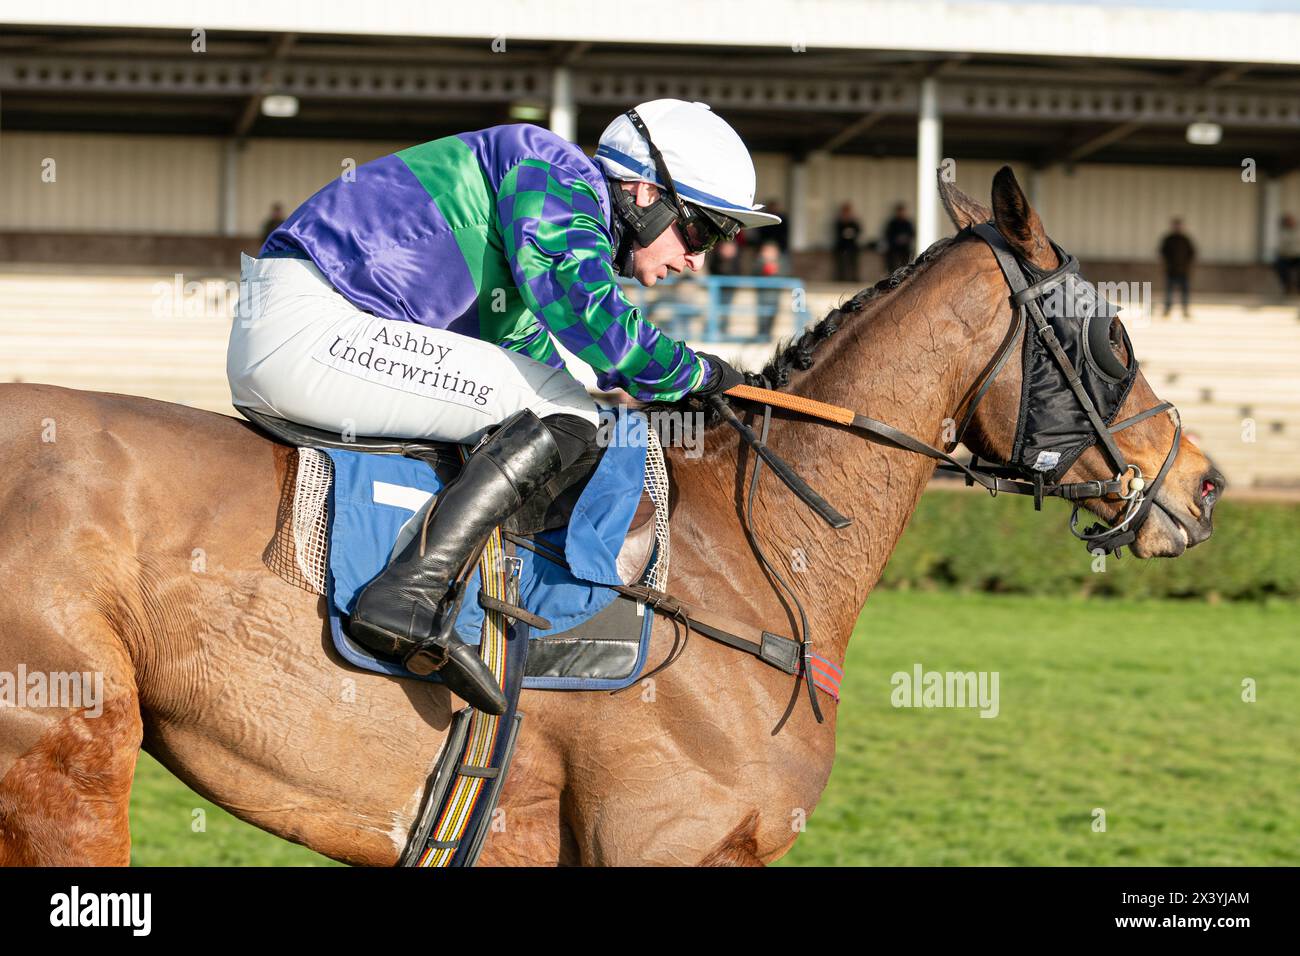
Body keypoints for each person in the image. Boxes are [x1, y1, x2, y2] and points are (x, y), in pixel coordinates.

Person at [226, 99, 777, 713]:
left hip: (312, 327)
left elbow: (536, 350)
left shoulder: (543, 213)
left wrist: (649, 380)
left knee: (567, 408)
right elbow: (592, 318)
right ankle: (406, 594)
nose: (697, 260)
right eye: (701, 231)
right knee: (565, 413)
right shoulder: (552, 167)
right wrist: (697, 372)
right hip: (311, 328)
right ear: (645, 193)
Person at [1158, 217, 1196, 319]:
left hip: (1184, 271)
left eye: (1179, 225)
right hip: (1171, 271)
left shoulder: (1185, 239)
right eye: (1175, 225)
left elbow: (1192, 253)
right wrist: (1166, 265)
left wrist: (1188, 266)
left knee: (1185, 292)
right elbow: (1162, 253)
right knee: (1169, 292)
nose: (1177, 227)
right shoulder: (1168, 239)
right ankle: (1167, 310)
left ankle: (1185, 311)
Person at [707, 238, 744, 334]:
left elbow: (738, 272)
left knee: (725, 311)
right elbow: (713, 269)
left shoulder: (737, 260)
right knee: (715, 311)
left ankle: (723, 330)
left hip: (729, 288)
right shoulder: (716, 258)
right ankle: (713, 330)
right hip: (716, 288)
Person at [752, 239, 784, 339]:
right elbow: (754, 273)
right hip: (762, 295)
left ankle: (767, 336)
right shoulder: (758, 262)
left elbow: (786, 274)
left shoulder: (781, 262)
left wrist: (775, 270)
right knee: (762, 317)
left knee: (772, 316)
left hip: (774, 295)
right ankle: (761, 336)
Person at [882, 202, 915, 274]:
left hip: (905, 247)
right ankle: (890, 274)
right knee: (890, 258)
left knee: (907, 259)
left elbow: (912, 234)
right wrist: (896, 240)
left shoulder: (907, 223)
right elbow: (887, 234)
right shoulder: (892, 223)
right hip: (894, 246)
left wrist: (905, 239)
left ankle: (905, 273)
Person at [832, 202, 862, 282]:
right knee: (841, 264)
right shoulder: (839, 222)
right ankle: (841, 278)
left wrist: (851, 233)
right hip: (841, 245)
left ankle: (854, 278)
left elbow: (858, 231)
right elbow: (836, 233)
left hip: (852, 245)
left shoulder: (854, 222)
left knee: (853, 263)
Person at [1276, 213, 1300, 295]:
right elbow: (1281, 248)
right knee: (1280, 265)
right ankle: (1287, 286)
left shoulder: (1298, 231)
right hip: (1286, 257)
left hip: (1297, 256)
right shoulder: (1282, 233)